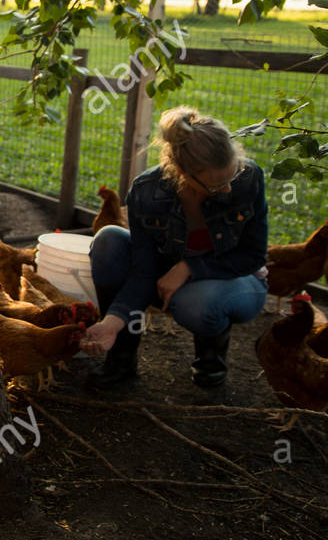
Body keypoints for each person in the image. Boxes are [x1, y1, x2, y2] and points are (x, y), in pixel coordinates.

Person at [81, 106, 268, 389]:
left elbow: (253, 256)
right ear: (183, 173)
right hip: (165, 282)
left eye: (231, 177)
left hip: (235, 279)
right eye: (218, 186)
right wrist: (113, 321)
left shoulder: (249, 178)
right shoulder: (146, 191)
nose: (228, 190)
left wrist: (190, 267)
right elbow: (143, 273)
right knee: (109, 240)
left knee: (196, 302)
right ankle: (120, 360)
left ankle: (211, 363)